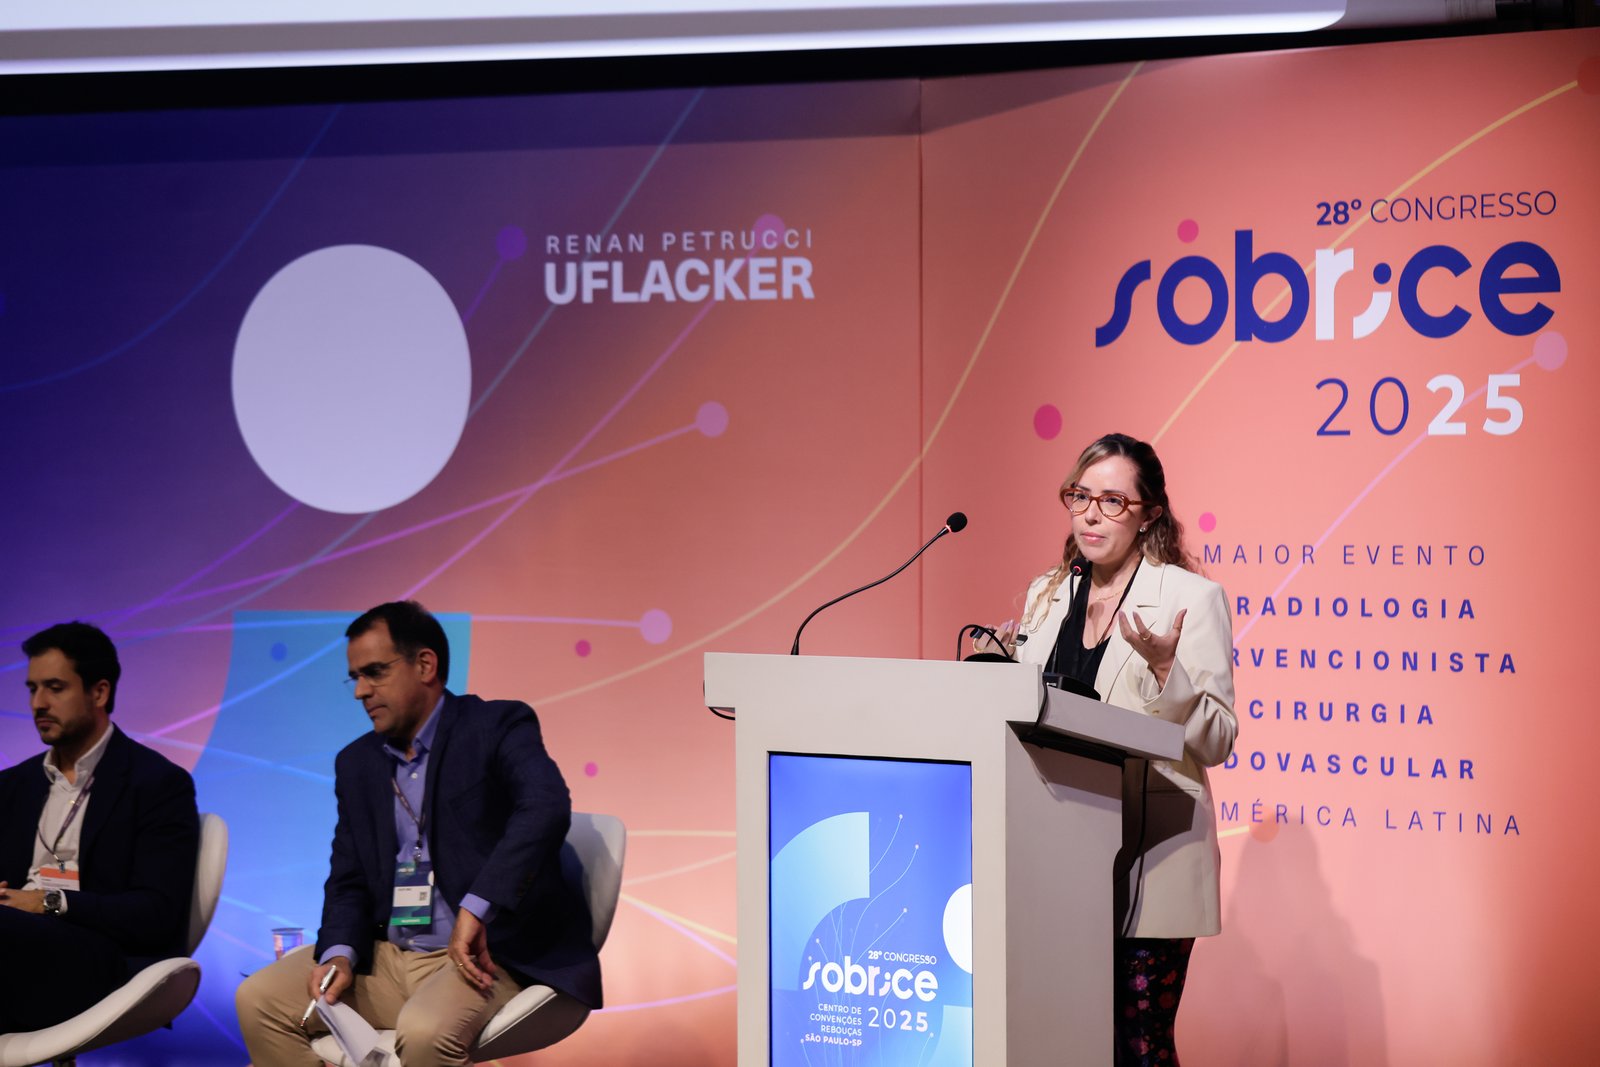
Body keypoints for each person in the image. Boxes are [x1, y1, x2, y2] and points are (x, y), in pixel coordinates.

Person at [237, 600, 600, 1067]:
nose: (360, 692)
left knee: (424, 1032)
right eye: (356, 677)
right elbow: (348, 877)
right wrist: (340, 953)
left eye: (375, 672)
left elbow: (544, 805)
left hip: (486, 955)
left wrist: (478, 906)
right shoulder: (357, 763)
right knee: (258, 1000)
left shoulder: (494, 727)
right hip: (389, 956)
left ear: (425, 665)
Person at [1010, 433, 1236, 1067]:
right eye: (1080, 496)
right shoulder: (1047, 594)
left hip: (1151, 858)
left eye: (1112, 501)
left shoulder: (1191, 598)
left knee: (1139, 1049)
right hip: (1057, 856)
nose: (1090, 514)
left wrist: (1168, 673)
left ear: (1149, 514)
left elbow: (1217, 738)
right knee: (1064, 1043)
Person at [0, 621, 200, 1034]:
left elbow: (158, 913)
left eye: (55, 688)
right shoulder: (12, 786)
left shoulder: (157, 784)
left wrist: (48, 902)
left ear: (99, 692)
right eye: (32, 688)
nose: (38, 703)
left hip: (99, 956)